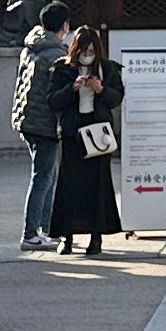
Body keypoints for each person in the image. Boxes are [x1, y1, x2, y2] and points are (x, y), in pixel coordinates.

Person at [46, 22, 125, 257]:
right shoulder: (62, 69)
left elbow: (117, 97)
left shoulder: (107, 68)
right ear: (75, 50)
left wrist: (100, 89)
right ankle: (66, 237)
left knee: (97, 185)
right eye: (83, 52)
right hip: (72, 132)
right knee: (68, 185)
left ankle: (96, 237)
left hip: (98, 131)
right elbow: (52, 101)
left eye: (91, 52)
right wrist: (72, 89)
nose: (87, 56)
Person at [13, 5, 72, 250]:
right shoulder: (55, 55)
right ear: (64, 26)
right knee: (42, 177)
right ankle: (30, 233)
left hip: (26, 119)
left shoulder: (31, 47)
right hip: (44, 122)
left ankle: (47, 228)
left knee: (47, 175)